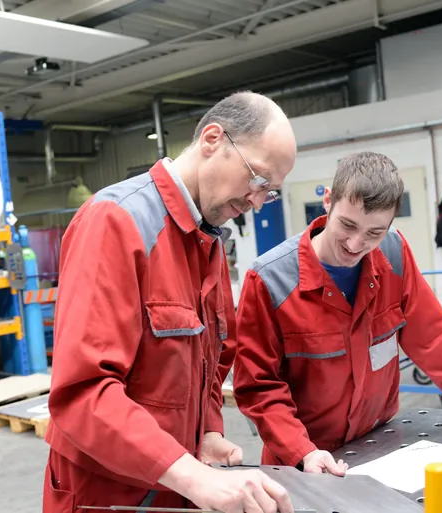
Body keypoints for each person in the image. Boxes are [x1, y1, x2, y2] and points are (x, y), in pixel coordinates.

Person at [43, 91, 298, 513]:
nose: (256, 202)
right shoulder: (116, 222)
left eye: (269, 193)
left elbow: (212, 363)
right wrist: (192, 475)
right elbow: (84, 394)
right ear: (213, 140)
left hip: (174, 485)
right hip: (107, 495)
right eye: (257, 179)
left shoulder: (208, 239)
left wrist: (207, 432)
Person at [232, 151, 442, 476]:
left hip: (376, 448)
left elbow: (433, 340)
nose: (356, 244)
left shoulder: (394, 255)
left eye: (374, 232)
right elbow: (260, 386)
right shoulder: (270, 280)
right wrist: (303, 451)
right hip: (300, 465)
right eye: (348, 225)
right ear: (328, 201)